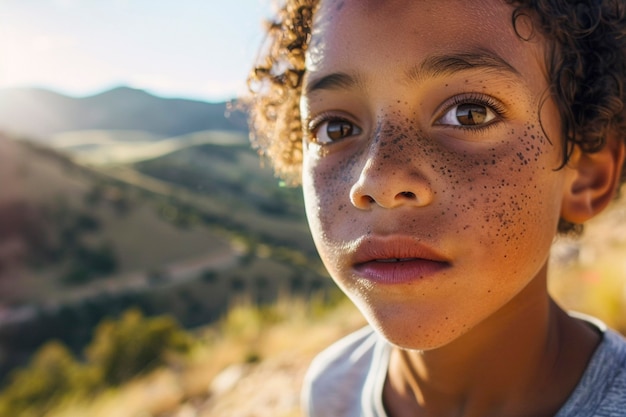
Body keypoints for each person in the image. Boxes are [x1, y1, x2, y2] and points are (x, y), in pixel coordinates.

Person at [246, 0, 626, 415]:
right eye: (334, 128)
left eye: (469, 113)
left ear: (586, 173)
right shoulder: (333, 388)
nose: (377, 181)